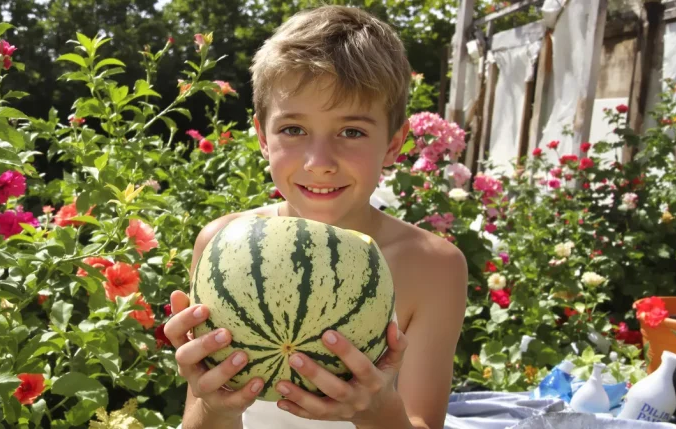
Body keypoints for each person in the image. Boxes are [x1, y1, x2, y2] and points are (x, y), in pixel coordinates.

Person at [163, 5, 467, 429]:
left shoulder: (434, 266)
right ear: (262, 137)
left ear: (393, 143)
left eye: (352, 132)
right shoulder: (222, 241)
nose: (319, 162)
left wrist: (376, 411)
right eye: (293, 129)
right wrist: (215, 406)